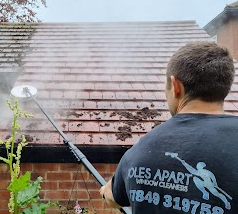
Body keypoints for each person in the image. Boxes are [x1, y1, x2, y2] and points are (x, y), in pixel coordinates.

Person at [99, 41, 238, 213]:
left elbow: (113, 198)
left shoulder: (139, 151)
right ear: (225, 86)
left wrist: (106, 190)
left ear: (175, 86)